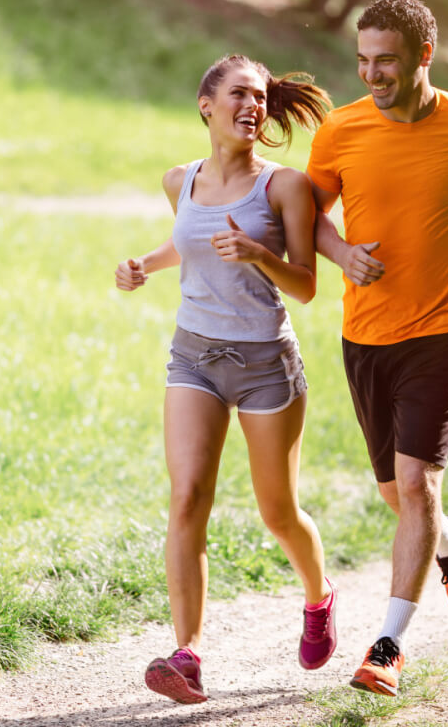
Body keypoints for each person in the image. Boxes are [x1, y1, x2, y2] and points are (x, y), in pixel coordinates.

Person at [306, 0, 448, 697]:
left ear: (423, 56)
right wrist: (342, 252)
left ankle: (389, 646)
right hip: (365, 334)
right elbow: (307, 215)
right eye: (363, 61)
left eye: (387, 62)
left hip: (443, 331)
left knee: (415, 485)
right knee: (396, 495)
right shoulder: (341, 131)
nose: (372, 74)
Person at [116, 54, 336, 704]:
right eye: (240, 93)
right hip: (195, 357)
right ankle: (187, 655)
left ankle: (319, 596)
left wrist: (259, 254)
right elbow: (190, 240)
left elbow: (306, 286)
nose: (254, 105)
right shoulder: (178, 180)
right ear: (206, 104)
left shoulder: (284, 188)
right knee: (186, 498)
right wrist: (145, 265)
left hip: (267, 364)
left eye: (262, 97)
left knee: (278, 512)